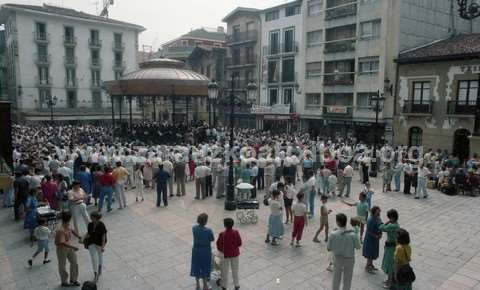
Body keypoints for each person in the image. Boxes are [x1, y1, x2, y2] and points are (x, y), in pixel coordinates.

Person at [327, 213, 361, 290]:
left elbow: (328, 248)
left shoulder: (333, 234)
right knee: (347, 280)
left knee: (336, 278)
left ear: (338, 222)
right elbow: (358, 247)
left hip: (337, 259)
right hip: (349, 259)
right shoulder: (352, 234)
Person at [55, 211, 81, 287]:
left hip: (69, 246)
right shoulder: (60, 229)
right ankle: (64, 281)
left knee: (74, 262)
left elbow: (72, 230)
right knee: (62, 265)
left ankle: (73, 279)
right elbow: (62, 242)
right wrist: (74, 247)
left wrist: (78, 236)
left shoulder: (68, 224)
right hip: (62, 249)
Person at [190, 213, 214, 290]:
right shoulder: (208, 230)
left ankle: (197, 285)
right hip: (205, 251)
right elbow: (212, 239)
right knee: (205, 266)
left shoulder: (194, 228)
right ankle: (205, 285)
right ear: (205, 221)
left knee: (196, 265)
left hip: (196, 250)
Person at [217, 218, 242, 290]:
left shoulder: (222, 234)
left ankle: (224, 286)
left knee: (225, 271)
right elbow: (239, 243)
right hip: (235, 254)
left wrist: (222, 251)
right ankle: (236, 285)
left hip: (225, 255)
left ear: (225, 225)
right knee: (235, 270)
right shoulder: (236, 232)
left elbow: (218, 245)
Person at [82, 211, 107, 283]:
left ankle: (100, 267)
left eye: (92, 217)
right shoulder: (90, 224)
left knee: (100, 256)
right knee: (93, 258)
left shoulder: (102, 225)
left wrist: (103, 246)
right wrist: (83, 238)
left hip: (99, 243)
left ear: (96, 218)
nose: (90, 219)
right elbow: (88, 233)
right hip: (91, 242)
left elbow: (103, 236)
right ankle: (95, 273)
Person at [379, 209, 400, 289]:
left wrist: (386, 222)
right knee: (390, 263)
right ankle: (389, 280)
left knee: (390, 264)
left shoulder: (392, 225)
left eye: (389, 217)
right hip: (391, 246)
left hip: (391, 247)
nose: (389, 219)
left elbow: (381, 227)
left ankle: (389, 283)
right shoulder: (396, 224)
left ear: (393, 217)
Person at [362, 206, 382, 273]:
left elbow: (381, 226)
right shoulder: (370, 220)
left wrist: (380, 234)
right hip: (370, 239)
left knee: (373, 252)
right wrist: (376, 236)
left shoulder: (378, 218)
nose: (379, 212)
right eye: (377, 211)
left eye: (379, 211)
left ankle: (371, 265)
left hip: (375, 239)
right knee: (370, 252)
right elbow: (368, 231)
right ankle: (367, 266)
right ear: (374, 211)